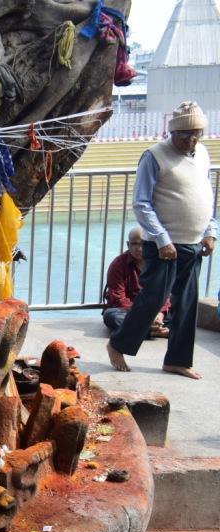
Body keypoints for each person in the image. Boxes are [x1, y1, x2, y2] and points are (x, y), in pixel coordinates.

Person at [106, 101, 217, 379]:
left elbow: (207, 196)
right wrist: (162, 239)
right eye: (184, 134)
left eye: (195, 134)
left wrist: (209, 231)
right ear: (172, 132)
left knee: (186, 304)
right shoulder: (154, 156)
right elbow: (142, 203)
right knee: (153, 298)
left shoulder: (202, 154)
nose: (190, 140)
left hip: (192, 243)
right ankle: (118, 344)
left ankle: (177, 360)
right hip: (163, 246)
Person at [102, 227, 171, 337]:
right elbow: (118, 299)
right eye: (134, 244)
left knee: (182, 312)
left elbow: (166, 293)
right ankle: (154, 331)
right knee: (112, 317)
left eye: (142, 244)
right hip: (129, 311)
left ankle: (148, 330)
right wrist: (145, 315)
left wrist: (160, 313)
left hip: (155, 311)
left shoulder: (158, 263)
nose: (138, 248)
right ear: (128, 245)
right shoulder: (118, 265)